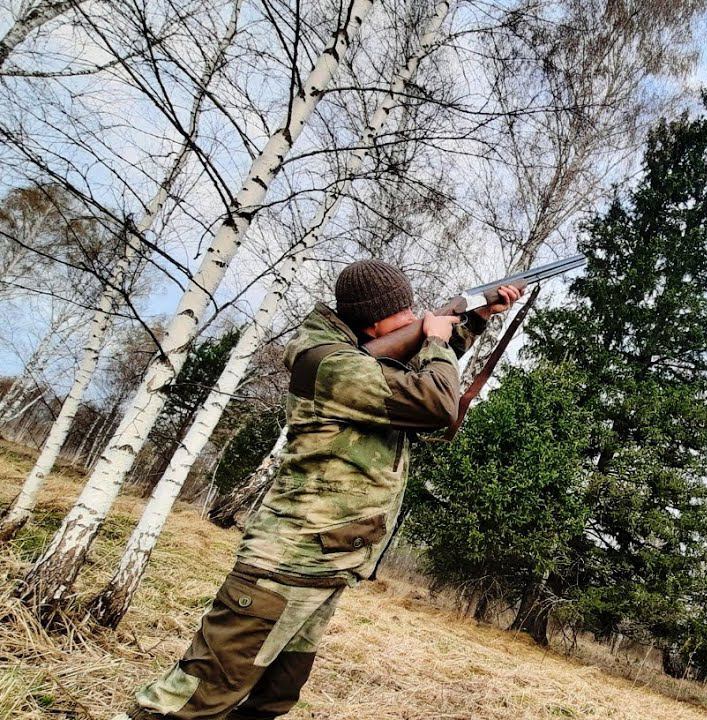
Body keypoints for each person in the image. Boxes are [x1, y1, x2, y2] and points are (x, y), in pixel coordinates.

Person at [117, 259, 522, 720]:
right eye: (403, 310)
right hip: (286, 564)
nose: (413, 316)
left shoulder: (357, 357)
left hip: (327, 562)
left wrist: (475, 318)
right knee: (194, 700)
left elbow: (408, 373)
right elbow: (434, 403)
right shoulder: (326, 361)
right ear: (371, 322)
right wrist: (433, 338)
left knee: (268, 701)